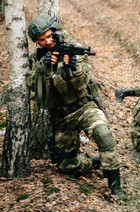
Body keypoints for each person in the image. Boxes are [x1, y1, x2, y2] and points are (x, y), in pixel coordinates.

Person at [26, 14, 127, 200]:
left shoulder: (73, 48)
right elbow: (37, 91)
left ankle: (116, 187)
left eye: (49, 36)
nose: (47, 42)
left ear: (55, 31)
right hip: (62, 116)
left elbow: (81, 85)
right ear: (37, 42)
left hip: (84, 106)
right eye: (42, 40)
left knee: (103, 133)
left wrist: (72, 70)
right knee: (65, 165)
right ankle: (94, 162)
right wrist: (45, 68)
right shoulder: (37, 57)